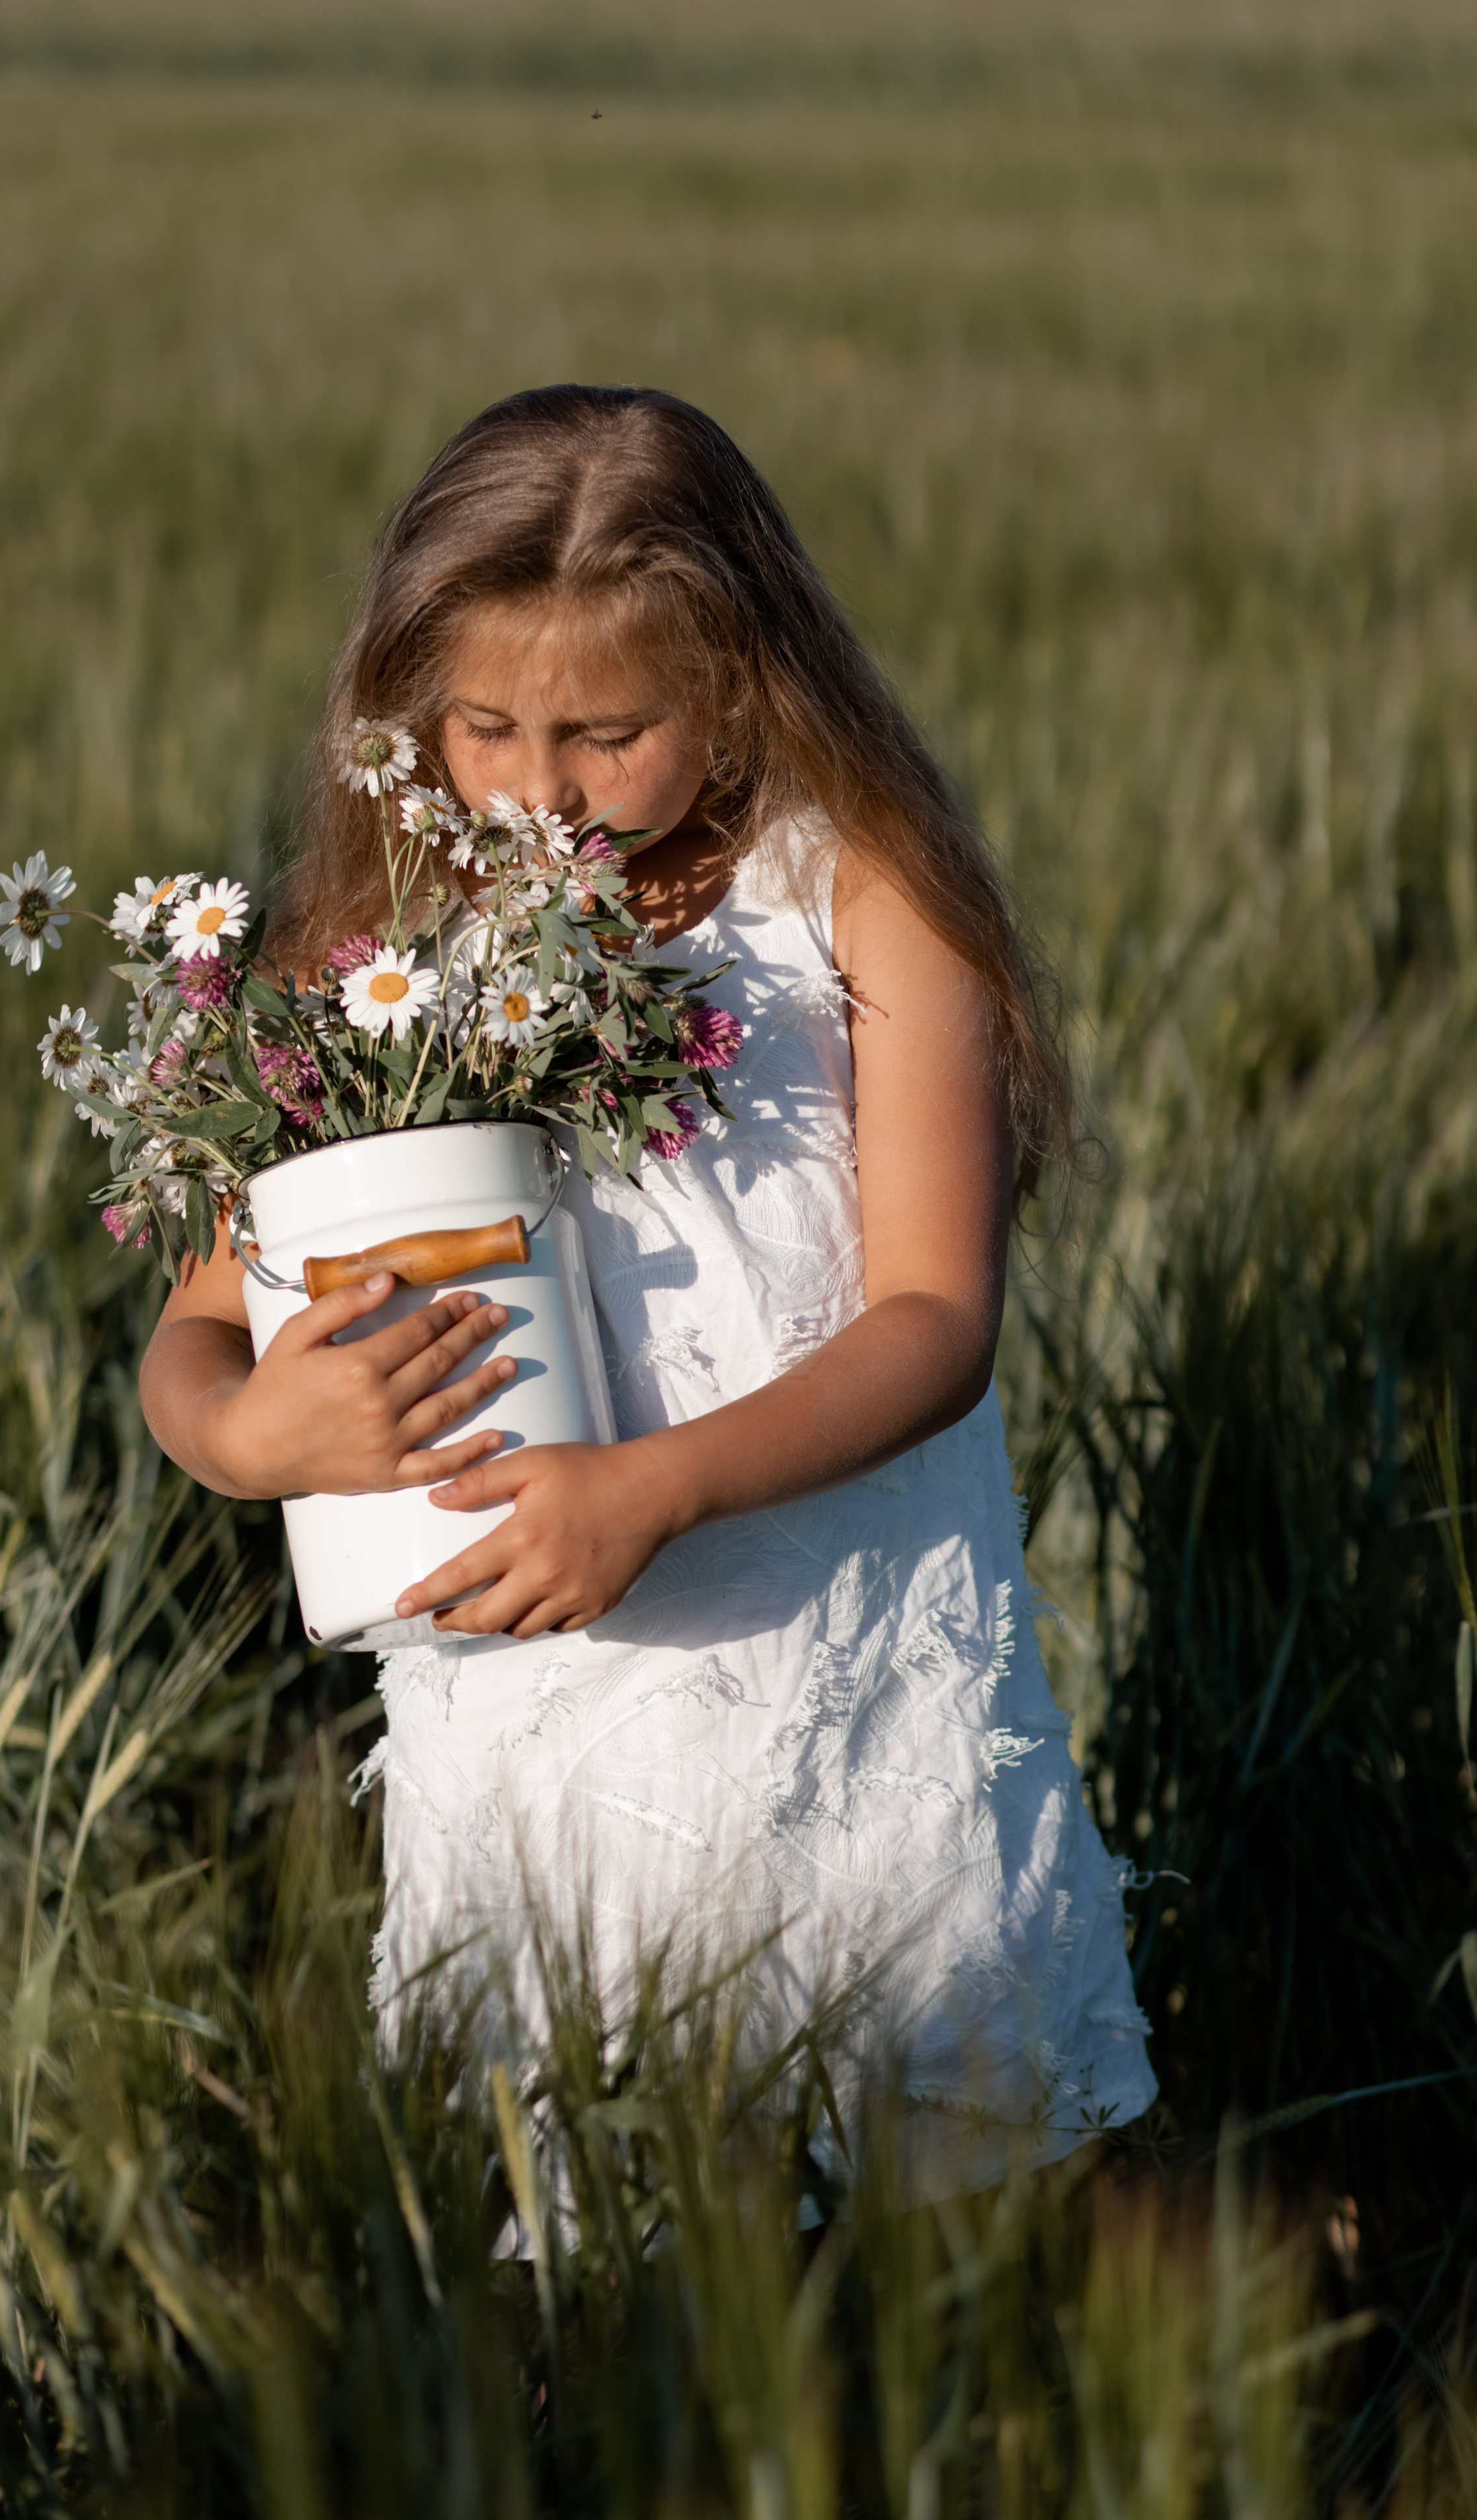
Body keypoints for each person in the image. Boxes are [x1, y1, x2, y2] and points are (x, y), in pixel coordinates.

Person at [139, 385, 1155, 2187]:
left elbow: (937, 1321)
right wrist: (248, 1434)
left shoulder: (859, 895)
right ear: (408, 706)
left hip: (841, 1690)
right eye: (483, 727)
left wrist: (650, 1492)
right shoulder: (388, 943)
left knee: (938, 2233)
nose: (536, 789)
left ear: (742, 689)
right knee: (590, 2242)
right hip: (529, 1722)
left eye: (609, 733)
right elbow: (200, 1332)